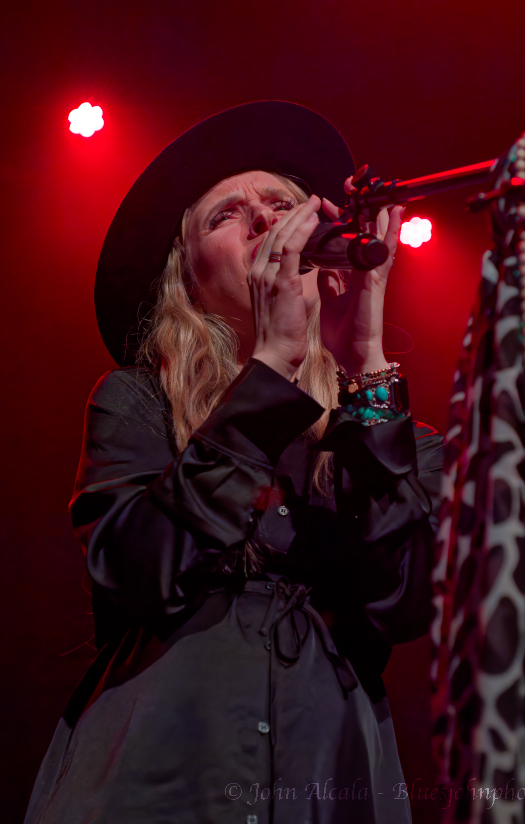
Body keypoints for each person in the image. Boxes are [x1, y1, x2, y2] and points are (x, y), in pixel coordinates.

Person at [24, 101, 443, 824]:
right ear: (183, 278)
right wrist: (271, 368)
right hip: (159, 769)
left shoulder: (398, 436)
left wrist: (367, 363)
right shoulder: (136, 405)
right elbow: (135, 575)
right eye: (226, 214)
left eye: (281, 205)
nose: (263, 222)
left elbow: (401, 601)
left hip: (328, 772)